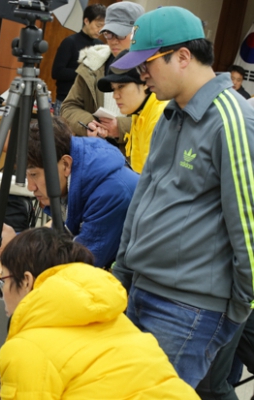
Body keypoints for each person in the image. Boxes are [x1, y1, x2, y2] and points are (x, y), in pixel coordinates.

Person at [110, 6, 254, 389]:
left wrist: (239, 307)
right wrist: (122, 272)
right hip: (143, 288)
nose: (142, 76)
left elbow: (248, 225)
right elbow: (144, 198)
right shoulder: (170, 114)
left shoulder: (231, 121)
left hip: (189, 309)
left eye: (147, 65)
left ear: (183, 57)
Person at [0, 228, 199, 400]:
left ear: (26, 281)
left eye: (3, 280)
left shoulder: (26, 347)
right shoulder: (117, 322)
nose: (3, 291)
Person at [0, 117, 139, 268]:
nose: (31, 187)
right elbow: (63, 237)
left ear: (66, 164)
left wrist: (15, 248)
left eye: (34, 174)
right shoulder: (80, 169)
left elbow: (79, 265)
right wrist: (14, 241)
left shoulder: (111, 193)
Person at [61, 1, 144, 142]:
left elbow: (160, 120)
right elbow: (69, 107)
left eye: (120, 34)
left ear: (137, 32)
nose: (113, 41)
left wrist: (121, 127)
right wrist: (88, 123)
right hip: (93, 148)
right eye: (108, 34)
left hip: (132, 152)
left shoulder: (152, 70)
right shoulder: (92, 64)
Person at [96, 49, 168, 173]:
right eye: (114, 89)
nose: (115, 96)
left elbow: (155, 175)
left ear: (145, 82)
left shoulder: (160, 115)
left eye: (121, 86)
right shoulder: (140, 113)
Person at [51, 4, 106, 116]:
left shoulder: (101, 46)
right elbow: (57, 72)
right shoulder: (70, 42)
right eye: (98, 25)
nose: (100, 30)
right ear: (86, 21)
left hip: (89, 103)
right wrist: (84, 73)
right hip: (66, 100)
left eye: (104, 26)